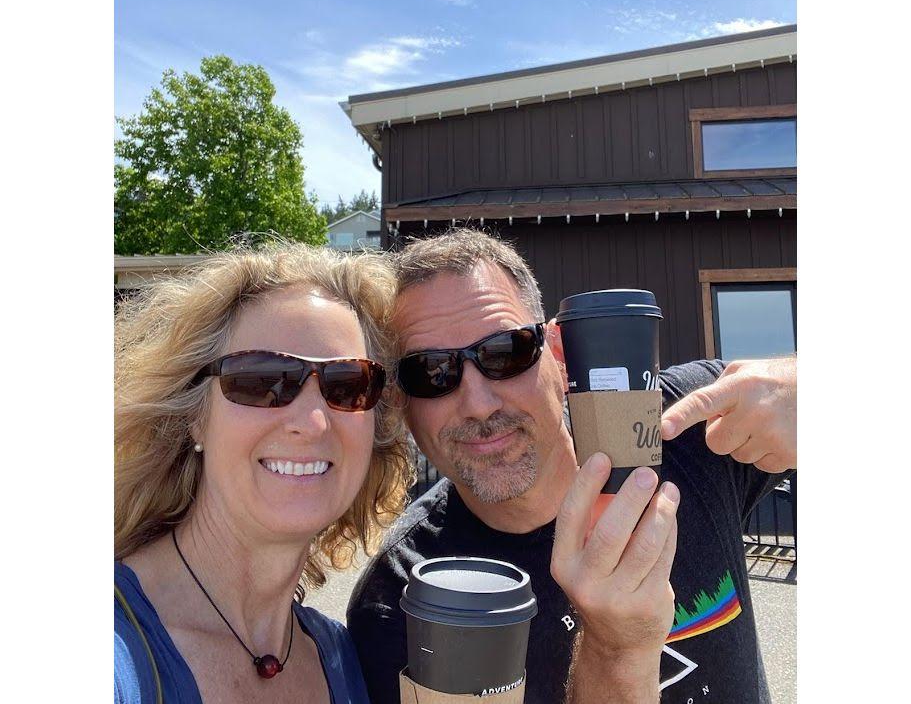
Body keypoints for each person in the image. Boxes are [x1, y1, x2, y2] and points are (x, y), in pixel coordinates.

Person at [346, 229, 796, 704]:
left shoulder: (681, 423)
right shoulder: (402, 601)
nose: (478, 404)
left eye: (505, 352)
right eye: (430, 373)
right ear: (401, 403)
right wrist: (616, 647)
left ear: (559, 355)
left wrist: (794, 385)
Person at [115, 243, 412, 703]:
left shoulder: (340, 658)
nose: (312, 422)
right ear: (195, 416)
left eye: (348, 384)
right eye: (262, 379)